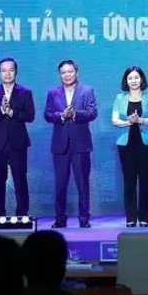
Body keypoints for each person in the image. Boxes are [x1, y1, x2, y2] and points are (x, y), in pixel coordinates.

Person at [43, 59, 97, 229]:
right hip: (60, 146)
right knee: (60, 184)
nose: (67, 75)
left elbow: (92, 112)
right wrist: (61, 116)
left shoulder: (87, 90)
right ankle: (60, 219)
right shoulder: (53, 93)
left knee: (82, 184)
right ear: (60, 75)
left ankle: (84, 218)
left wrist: (74, 114)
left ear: (77, 73)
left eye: (70, 71)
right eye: (63, 72)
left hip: (81, 145)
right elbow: (47, 114)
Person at [0, 57, 35, 217]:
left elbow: (30, 116)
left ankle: (22, 216)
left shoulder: (25, 92)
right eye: (3, 71)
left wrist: (12, 113)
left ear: (16, 72)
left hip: (18, 143)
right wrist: (0, 110)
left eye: (10, 70)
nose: (7, 74)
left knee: (20, 181)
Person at [111, 66, 148, 227]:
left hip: (145, 144)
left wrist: (140, 121)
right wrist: (128, 122)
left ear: (141, 79)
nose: (133, 80)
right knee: (129, 181)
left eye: (136, 77)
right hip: (126, 144)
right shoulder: (120, 98)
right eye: (130, 78)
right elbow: (115, 120)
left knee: (145, 181)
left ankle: (144, 218)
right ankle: (131, 218)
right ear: (126, 80)